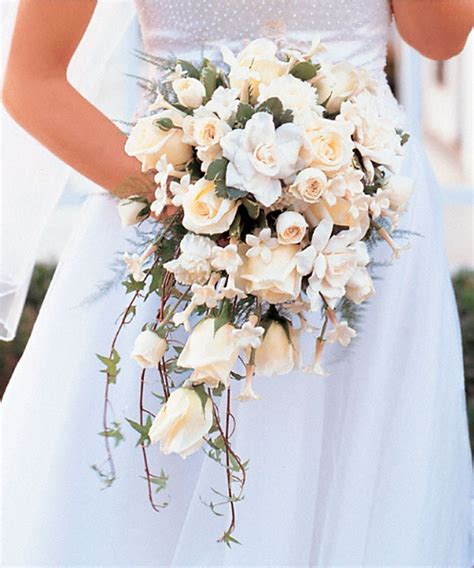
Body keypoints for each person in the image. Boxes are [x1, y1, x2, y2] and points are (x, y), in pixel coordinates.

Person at [2, 1, 473, 565]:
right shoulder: (184, 211)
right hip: (183, 236)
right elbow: (32, 80)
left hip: (364, 229)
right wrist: (192, 199)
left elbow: (442, 38)